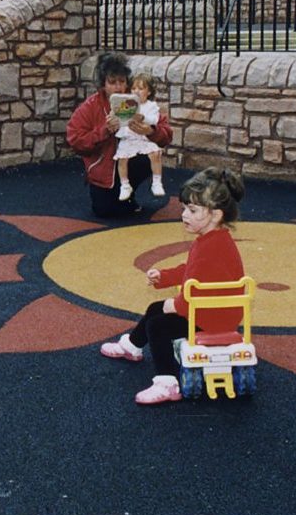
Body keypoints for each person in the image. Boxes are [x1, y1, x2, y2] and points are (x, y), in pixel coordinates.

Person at [100, 167, 246, 404]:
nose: (184, 215)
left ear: (216, 215)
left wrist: (176, 305)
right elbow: (193, 274)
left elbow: (196, 292)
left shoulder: (211, 248)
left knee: (159, 325)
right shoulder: (213, 239)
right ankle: (132, 345)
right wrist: (165, 277)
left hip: (213, 316)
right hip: (216, 311)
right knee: (156, 308)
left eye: (192, 210)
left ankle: (168, 382)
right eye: (184, 209)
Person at [66, 52, 173, 218]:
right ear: (103, 84)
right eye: (112, 82)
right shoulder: (91, 106)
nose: (118, 87)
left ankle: (128, 192)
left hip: (130, 160)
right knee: (103, 210)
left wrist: (151, 131)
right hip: (103, 169)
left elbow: (167, 135)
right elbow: (75, 141)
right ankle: (120, 197)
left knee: (148, 157)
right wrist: (104, 131)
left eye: (122, 82)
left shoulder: (139, 103)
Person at [114, 71, 166, 201]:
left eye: (141, 88)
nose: (136, 91)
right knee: (122, 159)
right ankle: (125, 185)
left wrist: (143, 118)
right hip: (129, 137)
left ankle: (156, 181)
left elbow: (154, 120)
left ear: (148, 92)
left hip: (143, 137)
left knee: (155, 153)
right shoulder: (128, 103)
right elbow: (120, 117)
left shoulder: (151, 106)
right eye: (134, 88)